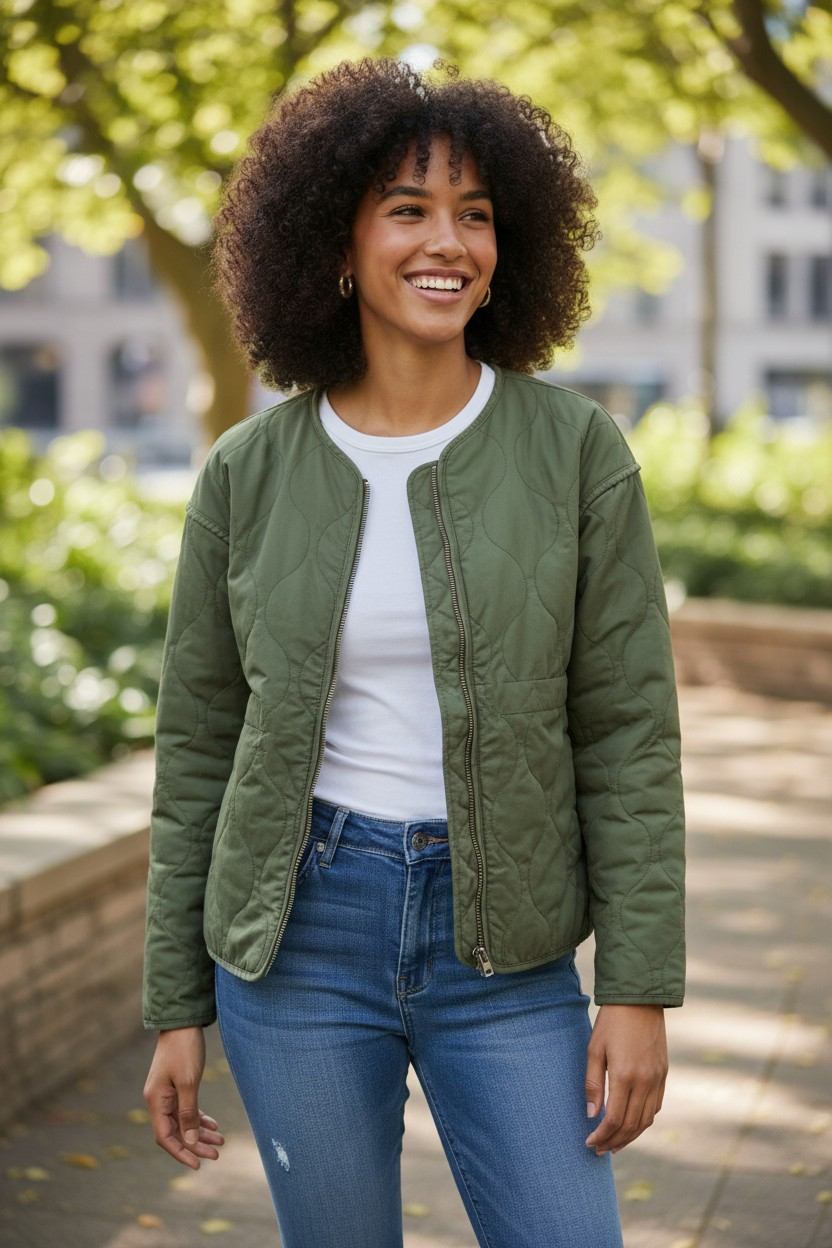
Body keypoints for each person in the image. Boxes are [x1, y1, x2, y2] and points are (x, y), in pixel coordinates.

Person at [142, 56, 685, 1248]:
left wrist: (639, 988)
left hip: (509, 950)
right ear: (335, 241)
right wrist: (175, 1005)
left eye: (476, 215)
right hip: (298, 941)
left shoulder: (575, 453)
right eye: (409, 208)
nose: (450, 242)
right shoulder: (248, 472)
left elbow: (629, 732)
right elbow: (197, 749)